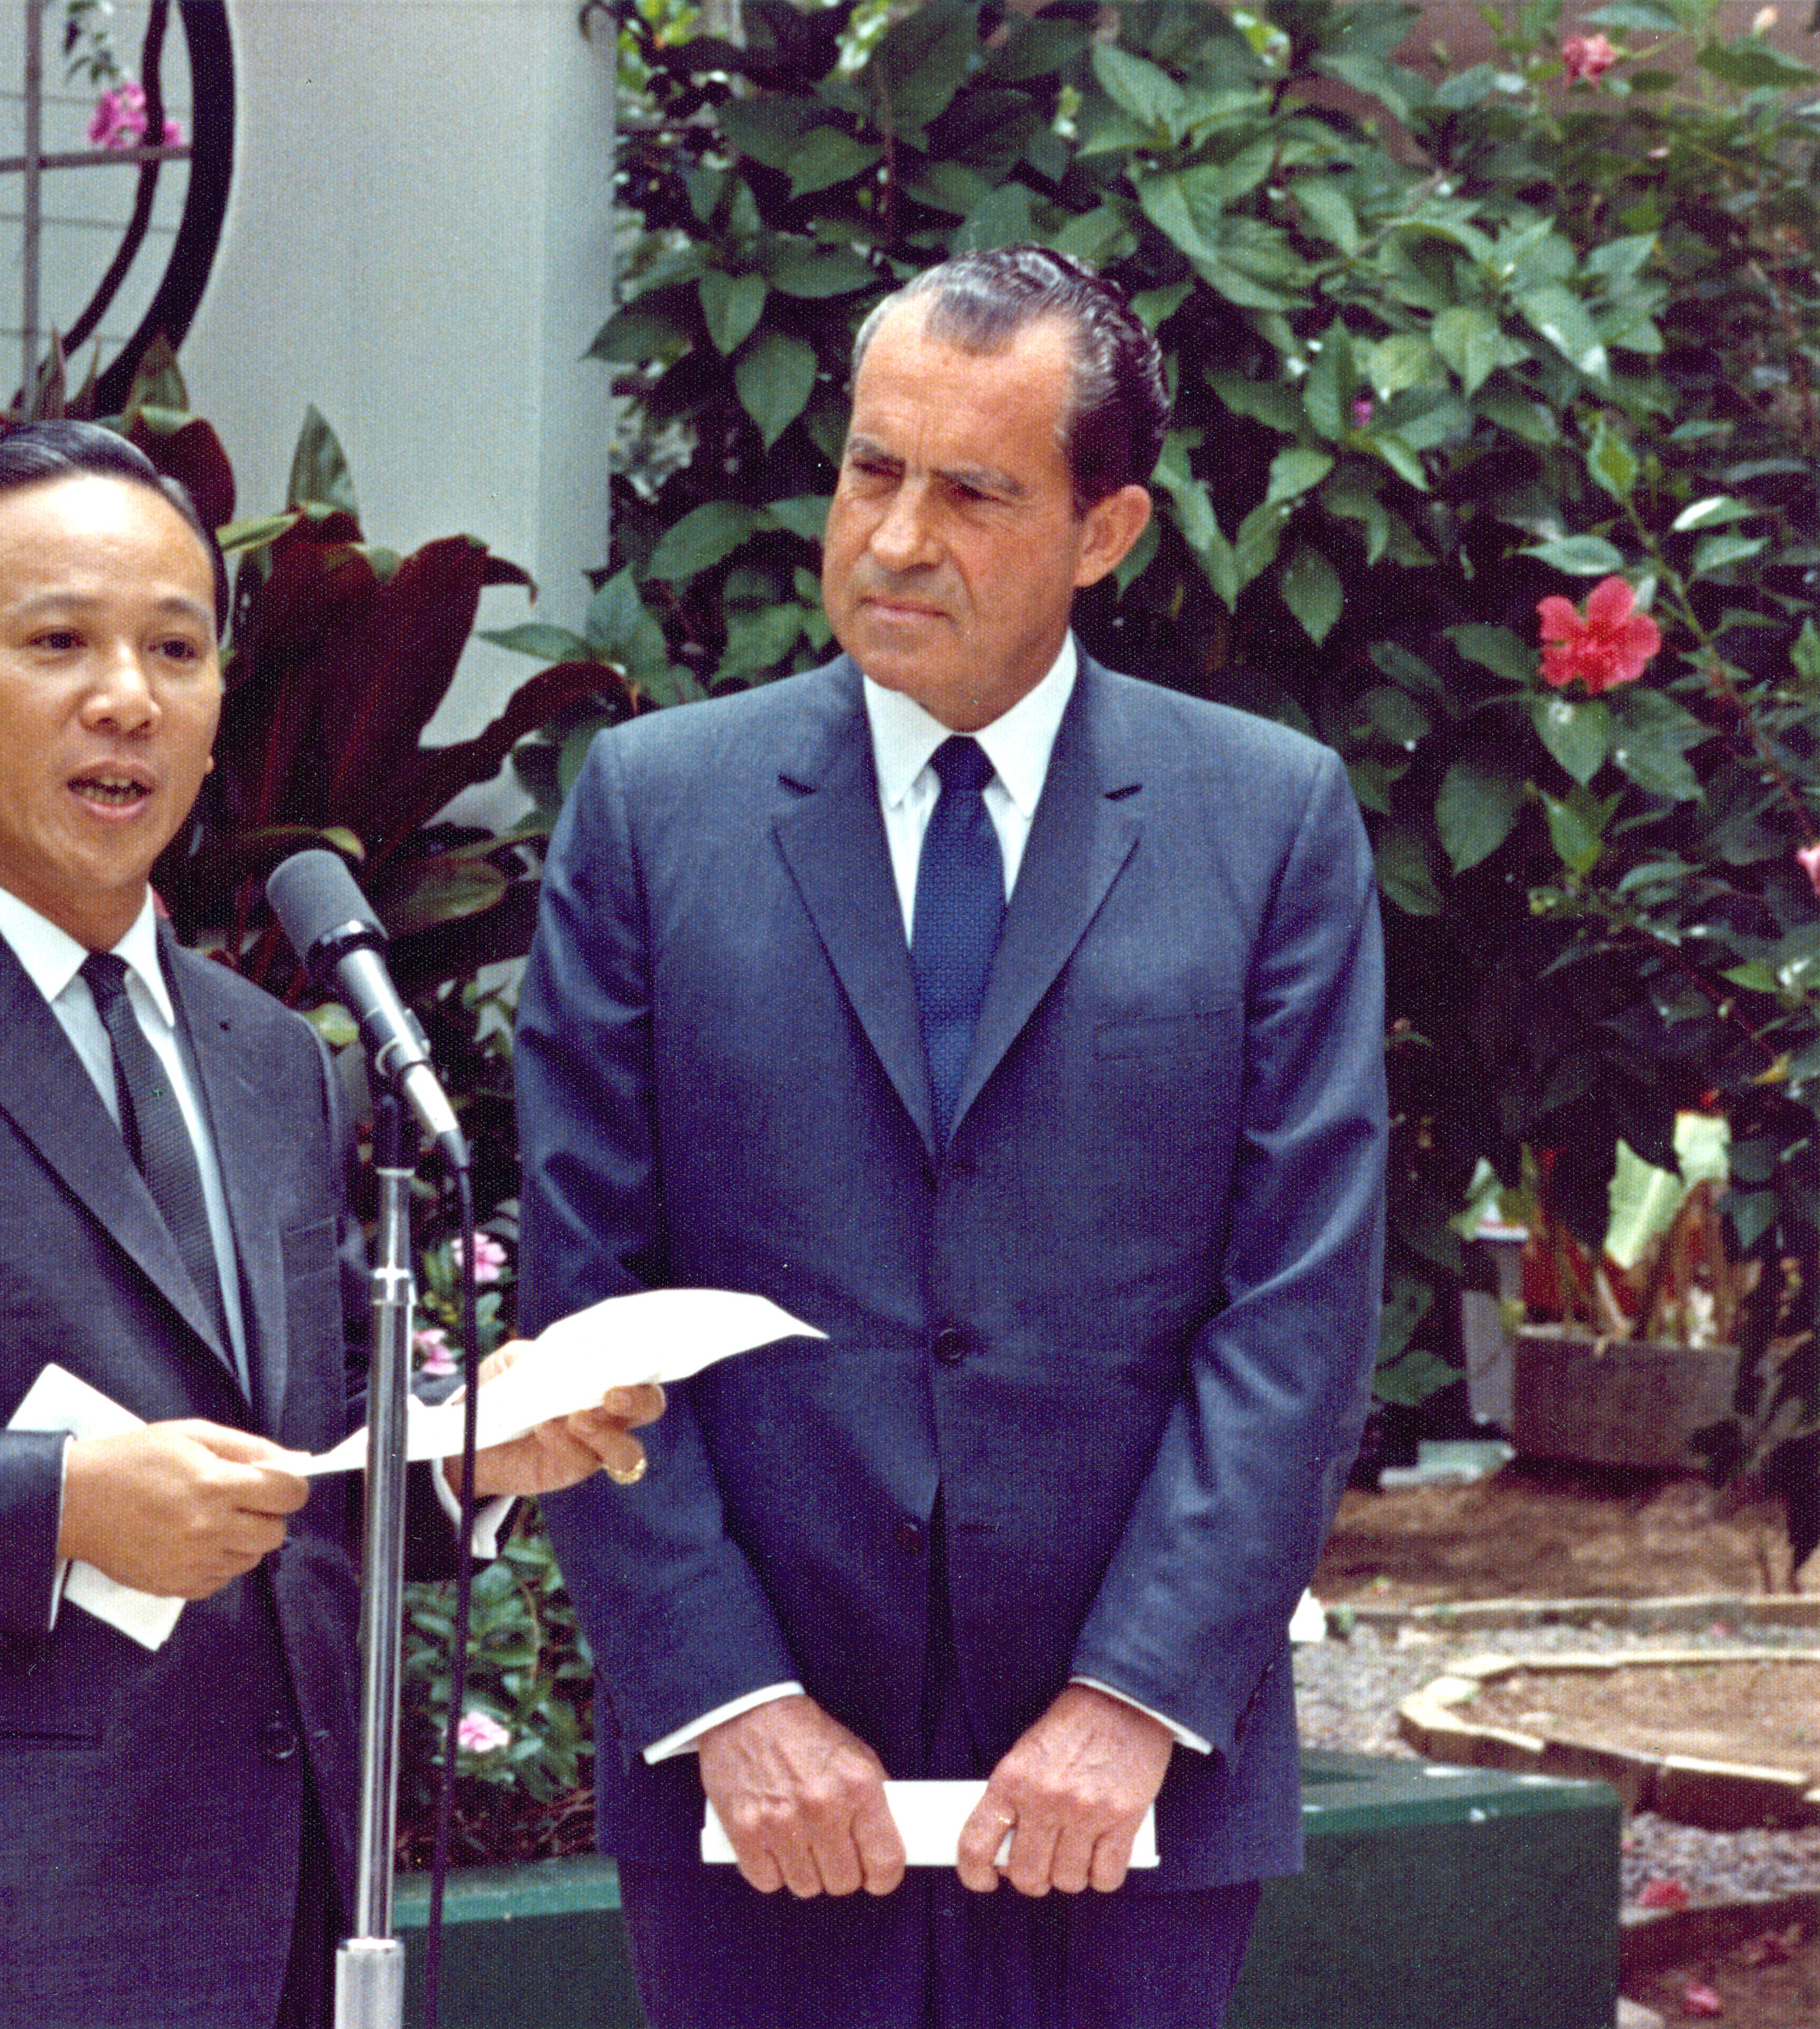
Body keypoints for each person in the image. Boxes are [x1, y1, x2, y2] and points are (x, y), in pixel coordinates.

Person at [0, 419, 658, 2029]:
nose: (125, 699)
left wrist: (453, 1464)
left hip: (289, 1921)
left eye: (174, 648)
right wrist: (64, 1505)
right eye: (57, 643)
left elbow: (270, 1482)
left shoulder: (273, 1065)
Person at [513, 248, 1387, 2029]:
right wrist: (728, 1700)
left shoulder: (1269, 820)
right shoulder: (653, 814)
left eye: (973, 491)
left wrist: (1136, 1697)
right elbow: (582, 1300)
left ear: (1106, 530)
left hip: (1133, 1807)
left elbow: (1297, 1306)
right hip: (756, 1801)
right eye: (869, 469)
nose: (896, 538)